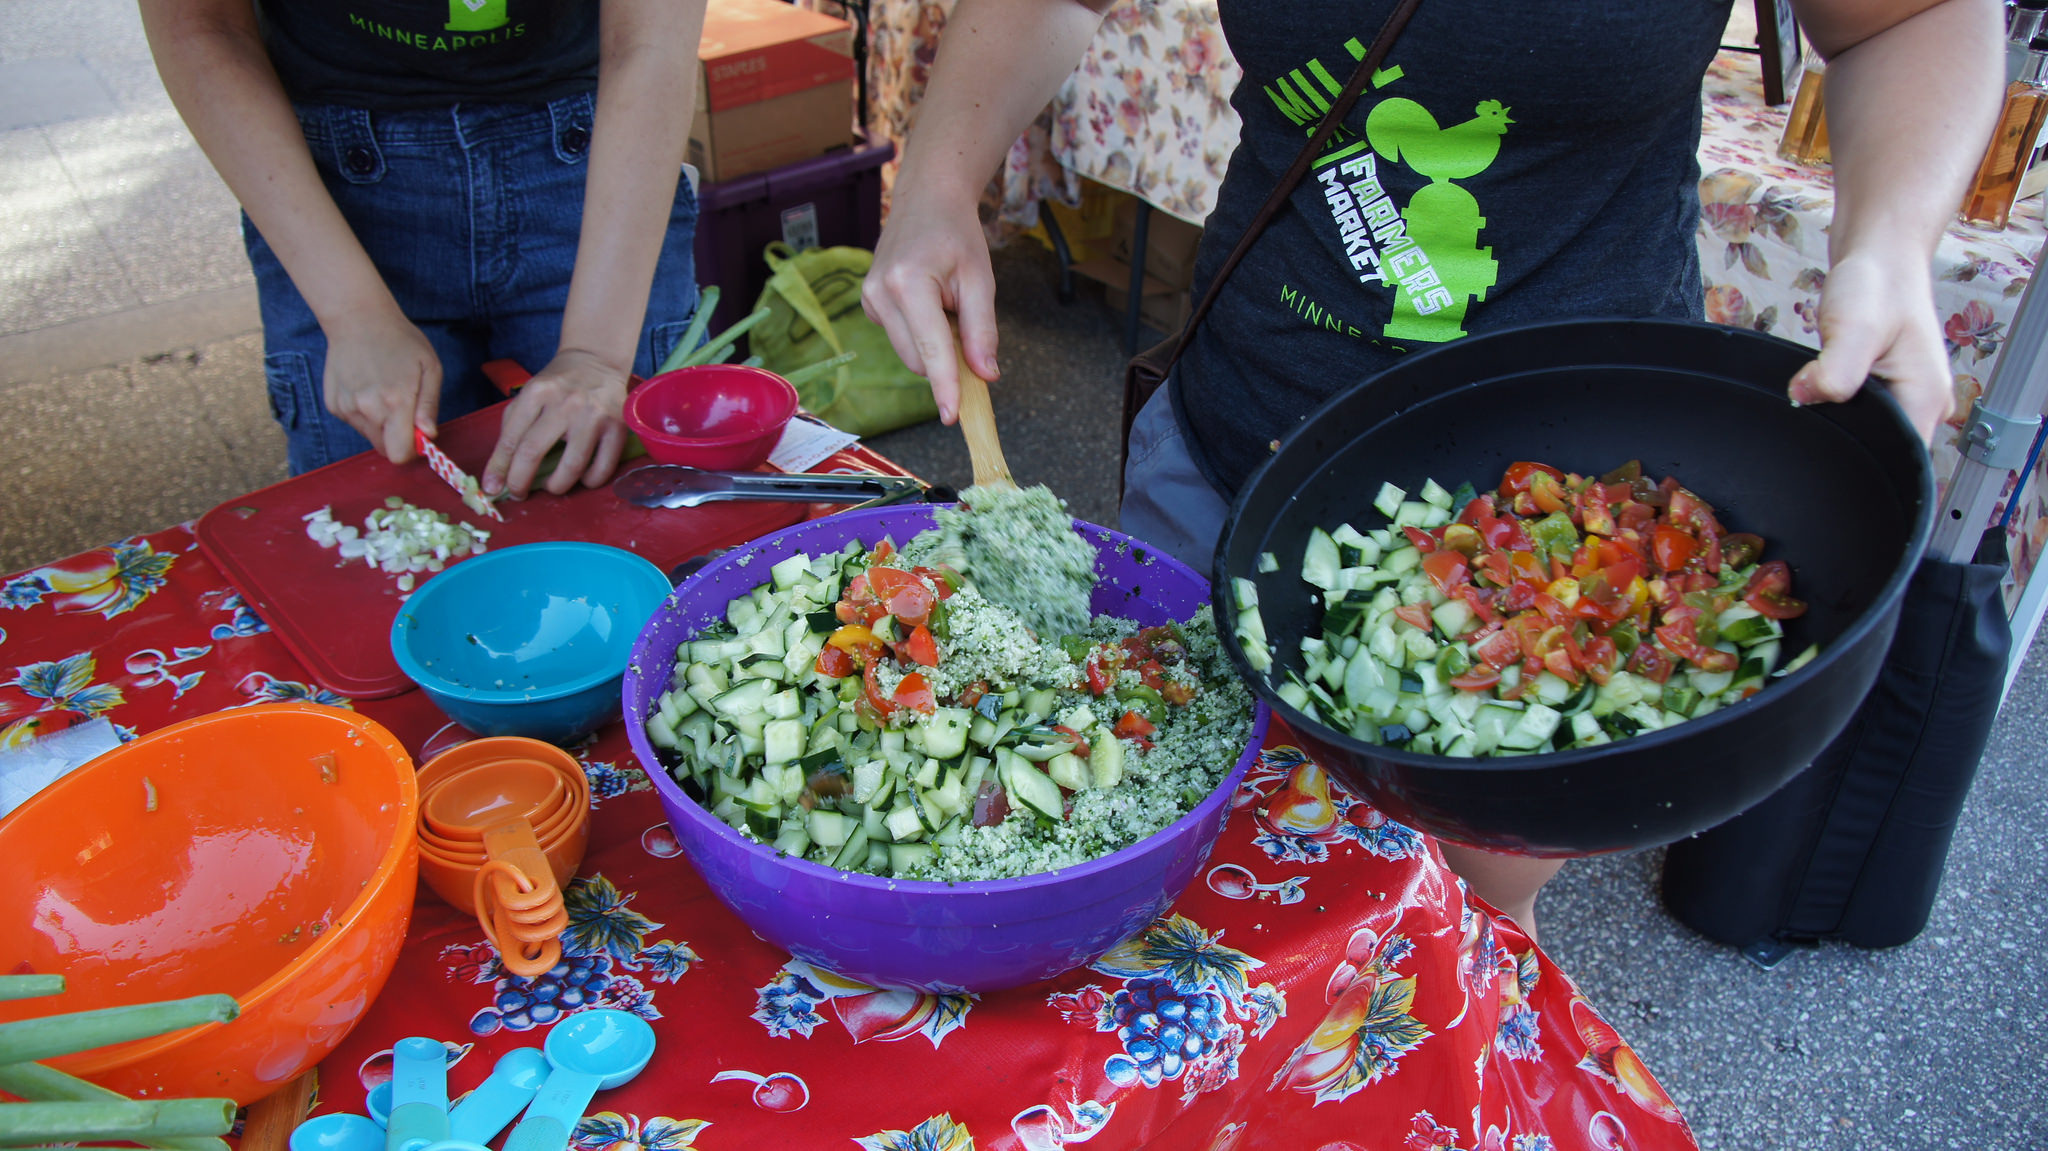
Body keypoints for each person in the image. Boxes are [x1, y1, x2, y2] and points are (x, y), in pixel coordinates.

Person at [860, 0, 2003, 938]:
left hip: (1565, 461)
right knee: (1157, 874)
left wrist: (1887, 243)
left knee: (1449, 924)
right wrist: (937, 177)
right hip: (1234, 437)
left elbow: (1905, 19)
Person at [139, 0, 709, 501]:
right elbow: (202, 26)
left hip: (601, 163)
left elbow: (650, 42)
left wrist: (596, 355)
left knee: (647, 525)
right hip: (326, 195)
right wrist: (353, 313)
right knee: (375, 550)